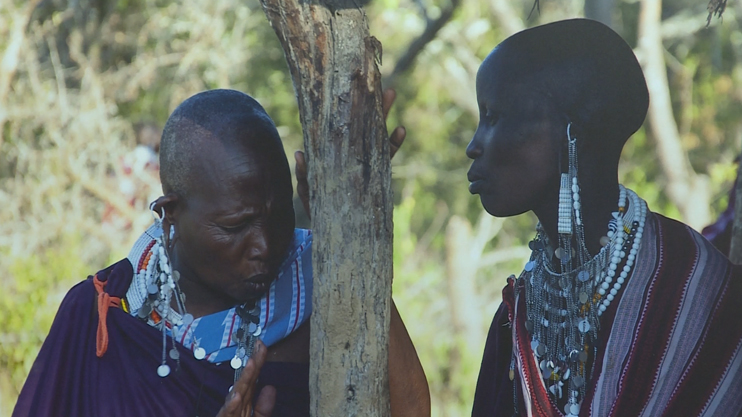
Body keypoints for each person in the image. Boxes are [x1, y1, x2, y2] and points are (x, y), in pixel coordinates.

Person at [13, 89, 430, 417]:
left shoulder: (324, 284)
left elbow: (411, 411)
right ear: (170, 214)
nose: (265, 246)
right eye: (235, 226)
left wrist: (348, 232)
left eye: (280, 216)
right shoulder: (105, 312)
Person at [466, 19, 742, 416]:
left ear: (569, 130)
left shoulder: (694, 291)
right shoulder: (520, 315)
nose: (474, 146)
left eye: (494, 117)